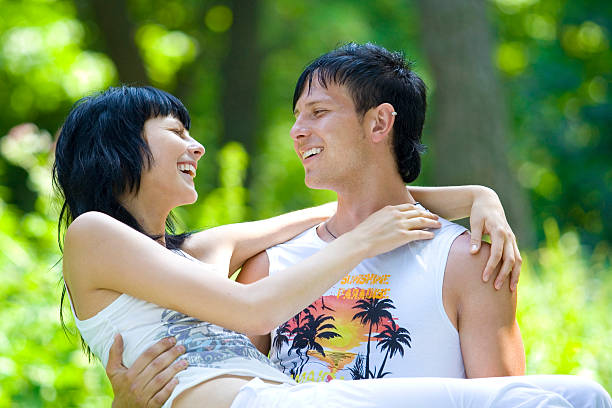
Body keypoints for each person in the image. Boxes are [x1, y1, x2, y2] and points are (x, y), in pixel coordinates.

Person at [56, 86, 610, 408]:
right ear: (118, 145)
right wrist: (362, 243)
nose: (195, 146)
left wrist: (479, 197)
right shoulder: (93, 235)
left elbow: (339, 209)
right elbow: (256, 308)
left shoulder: (194, 252)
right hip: (264, 405)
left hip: (285, 398)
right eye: (176, 131)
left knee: (582, 396)